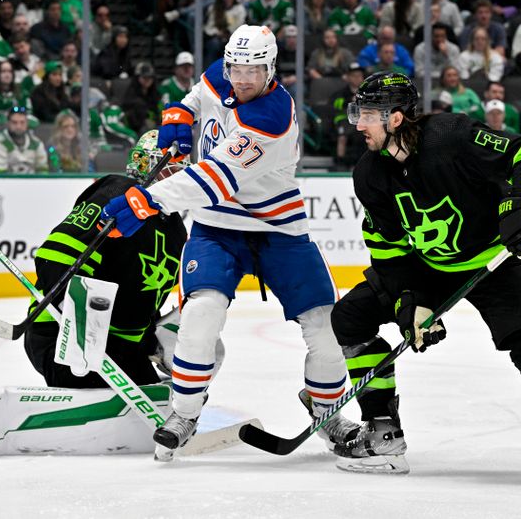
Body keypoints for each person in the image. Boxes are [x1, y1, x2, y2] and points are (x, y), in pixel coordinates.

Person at [328, 71, 521, 483]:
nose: (357, 124)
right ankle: (383, 431)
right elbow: (389, 250)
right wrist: (410, 301)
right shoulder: (369, 173)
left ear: (397, 119)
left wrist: (519, 208)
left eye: (367, 115)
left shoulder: (451, 136)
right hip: (429, 267)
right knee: (351, 317)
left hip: (497, 260)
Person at [100, 24, 360, 454]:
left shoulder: (272, 117)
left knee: (325, 328)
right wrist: (179, 116)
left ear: (271, 69)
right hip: (218, 228)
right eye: (235, 67)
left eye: (253, 70)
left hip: (278, 230)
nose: (241, 78)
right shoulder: (222, 74)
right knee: (200, 316)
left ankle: (327, 409)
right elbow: (195, 98)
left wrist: (148, 200)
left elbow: (213, 180)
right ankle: (184, 412)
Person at [23, 129, 187, 388]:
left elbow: (144, 298)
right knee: (126, 401)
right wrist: (70, 303)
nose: (179, 178)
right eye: (172, 169)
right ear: (148, 164)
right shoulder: (118, 194)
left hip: (119, 349)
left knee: (166, 400)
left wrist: (152, 341)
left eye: (181, 171)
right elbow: (57, 252)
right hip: (63, 335)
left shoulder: (176, 228)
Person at [0, 106, 47, 174]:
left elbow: (43, 172)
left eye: (22, 122)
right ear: (8, 123)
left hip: (32, 184)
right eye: (14, 122)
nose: (18, 126)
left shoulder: (36, 144)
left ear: (27, 123)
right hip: (4, 183)